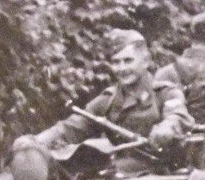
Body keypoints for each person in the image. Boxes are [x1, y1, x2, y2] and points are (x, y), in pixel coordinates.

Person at [17, 29, 192, 152]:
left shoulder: (164, 93)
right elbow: (74, 126)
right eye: (116, 62)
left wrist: (167, 127)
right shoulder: (108, 99)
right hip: (118, 175)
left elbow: (178, 116)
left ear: (146, 61)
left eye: (128, 61)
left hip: (157, 176)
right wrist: (37, 140)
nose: (121, 68)